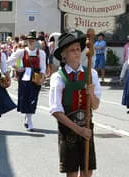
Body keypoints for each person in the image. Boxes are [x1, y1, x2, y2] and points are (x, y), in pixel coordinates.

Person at [49, 32, 101, 177]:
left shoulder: (91, 74)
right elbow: (56, 111)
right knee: (72, 172)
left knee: (87, 171)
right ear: (64, 55)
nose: (77, 52)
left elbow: (95, 106)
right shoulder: (58, 77)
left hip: (87, 126)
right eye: (72, 50)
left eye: (78, 49)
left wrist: (91, 95)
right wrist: (78, 130)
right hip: (68, 130)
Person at [7, 30, 46, 131]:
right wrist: (17, 67)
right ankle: (29, 120)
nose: (31, 42)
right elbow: (10, 61)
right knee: (26, 98)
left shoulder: (41, 53)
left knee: (33, 98)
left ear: (35, 41)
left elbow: (43, 67)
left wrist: (42, 78)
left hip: (35, 77)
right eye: (29, 40)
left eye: (33, 40)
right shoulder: (21, 51)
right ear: (27, 41)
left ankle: (29, 118)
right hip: (25, 78)